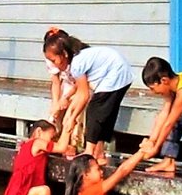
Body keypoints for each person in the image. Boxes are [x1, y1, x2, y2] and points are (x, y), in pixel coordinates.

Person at [42, 29, 133, 166]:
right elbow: (80, 92)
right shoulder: (77, 58)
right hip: (122, 73)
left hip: (116, 73)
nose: (53, 65)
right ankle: (99, 153)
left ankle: (89, 152)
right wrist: (71, 114)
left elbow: (83, 95)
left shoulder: (77, 64)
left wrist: (72, 118)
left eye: (54, 60)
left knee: (94, 110)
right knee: (106, 113)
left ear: (64, 54)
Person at [2, 119, 72, 195]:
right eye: (51, 137)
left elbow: (62, 148)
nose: (52, 141)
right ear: (39, 132)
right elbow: (61, 147)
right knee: (44, 191)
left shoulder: (26, 145)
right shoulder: (37, 142)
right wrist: (68, 128)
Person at [43, 27, 85, 148]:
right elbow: (56, 82)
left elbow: (80, 84)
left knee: (73, 112)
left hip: (83, 86)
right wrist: (56, 103)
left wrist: (66, 97)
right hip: (68, 83)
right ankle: (55, 139)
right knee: (55, 114)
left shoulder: (77, 58)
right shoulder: (51, 57)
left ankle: (75, 143)